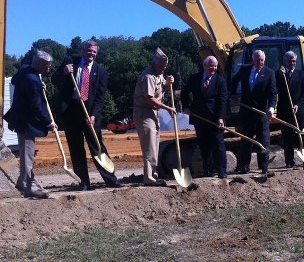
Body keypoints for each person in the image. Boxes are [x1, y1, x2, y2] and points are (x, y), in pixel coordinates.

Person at [52, 40, 121, 190]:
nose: (91, 54)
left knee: (97, 146)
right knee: (76, 148)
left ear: (97, 53)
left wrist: (94, 115)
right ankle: (83, 182)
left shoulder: (101, 71)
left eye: (94, 52)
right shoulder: (71, 62)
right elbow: (54, 80)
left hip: (89, 113)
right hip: (71, 111)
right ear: (83, 50)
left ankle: (110, 179)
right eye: (89, 51)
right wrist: (63, 72)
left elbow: (100, 98)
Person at [4, 50, 57, 198]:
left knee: (26, 153)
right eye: (46, 66)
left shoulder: (25, 69)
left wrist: (40, 86)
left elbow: (15, 81)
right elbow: (36, 106)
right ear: (37, 64)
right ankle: (29, 187)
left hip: (20, 118)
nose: (49, 68)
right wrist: (49, 123)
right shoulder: (32, 80)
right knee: (27, 154)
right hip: (27, 122)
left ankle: (23, 182)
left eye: (50, 65)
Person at [133, 48, 176, 186]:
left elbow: (159, 91)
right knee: (149, 145)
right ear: (154, 63)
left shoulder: (159, 74)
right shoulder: (148, 77)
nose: (163, 69)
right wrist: (167, 108)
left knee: (155, 145)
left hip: (154, 113)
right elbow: (150, 99)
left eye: (165, 67)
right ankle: (149, 178)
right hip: (144, 113)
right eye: (161, 66)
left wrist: (167, 84)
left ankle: (154, 175)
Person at [230, 49, 277, 175]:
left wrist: (271, 108)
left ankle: (264, 167)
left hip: (262, 112)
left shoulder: (269, 73)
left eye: (262, 60)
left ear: (264, 60)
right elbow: (233, 82)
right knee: (246, 139)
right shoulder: (245, 69)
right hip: (246, 111)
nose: (260, 62)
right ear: (253, 60)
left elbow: (273, 94)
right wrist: (233, 95)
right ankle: (245, 166)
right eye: (257, 60)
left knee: (263, 139)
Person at [182, 56, 228, 179]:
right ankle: (208, 170)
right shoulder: (194, 78)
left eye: (215, 66)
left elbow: (223, 101)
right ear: (205, 66)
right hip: (199, 118)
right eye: (211, 66)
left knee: (218, 145)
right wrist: (186, 106)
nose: (213, 68)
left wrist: (220, 118)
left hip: (215, 120)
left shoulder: (220, 81)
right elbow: (184, 93)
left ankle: (221, 171)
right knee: (204, 145)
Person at [276, 51, 304, 170]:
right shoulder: (279, 75)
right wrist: (280, 76)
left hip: (299, 111)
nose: (292, 63)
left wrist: (298, 104)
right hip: (285, 111)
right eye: (290, 61)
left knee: (303, 137)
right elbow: (274, 89)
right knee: (287, 138)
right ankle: (289, 162)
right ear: (285, 61)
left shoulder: (302, 75)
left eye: (294, 61)